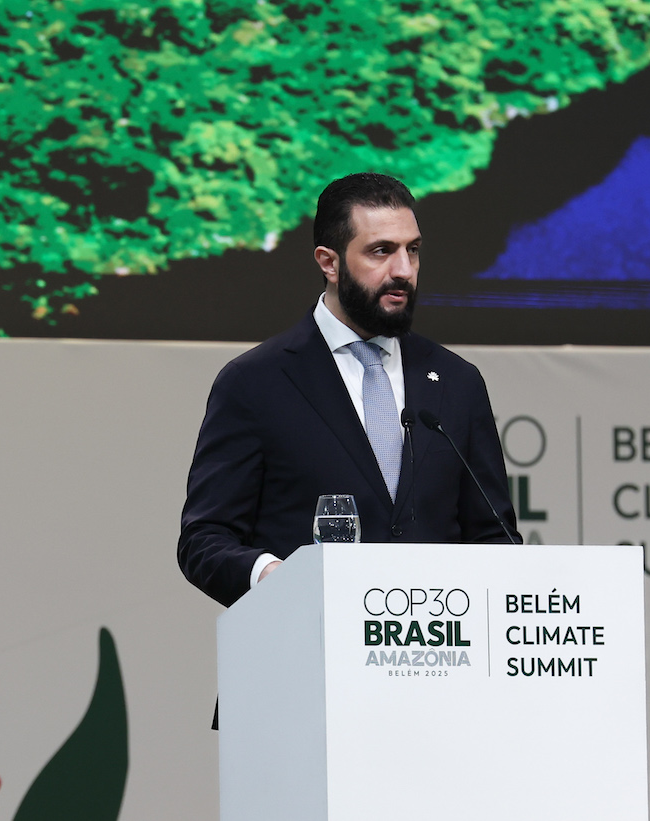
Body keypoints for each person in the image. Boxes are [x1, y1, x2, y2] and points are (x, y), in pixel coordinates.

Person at [178, 172, 518, 608]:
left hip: (440, 657)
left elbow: (494, 537)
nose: (403, 271)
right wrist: (276, 577)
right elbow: (204, 540)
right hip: (308, 649)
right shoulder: (256, 382)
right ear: (329, 262)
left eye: (412, 250)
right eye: (381, 251)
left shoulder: (456, 381)